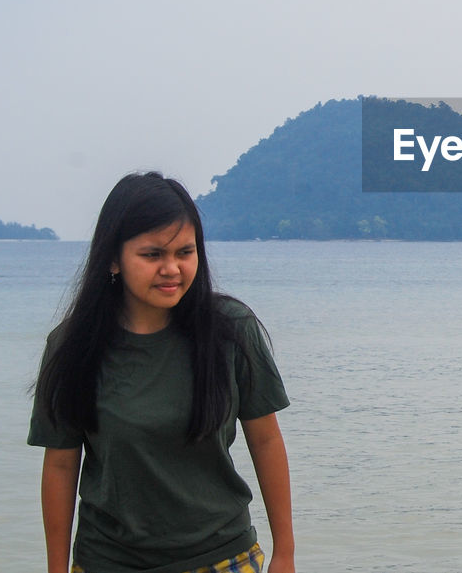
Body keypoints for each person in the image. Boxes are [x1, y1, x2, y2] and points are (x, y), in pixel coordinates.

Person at [29, 172, 295, 573]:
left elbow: (267, 440)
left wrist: (284, 554)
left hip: (223, 558)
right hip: (108, 561)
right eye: (153, 254)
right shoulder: (73, 348)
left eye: (185, 253)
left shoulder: (231, 331)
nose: (171, 269)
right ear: (114, 258)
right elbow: (62, 464)